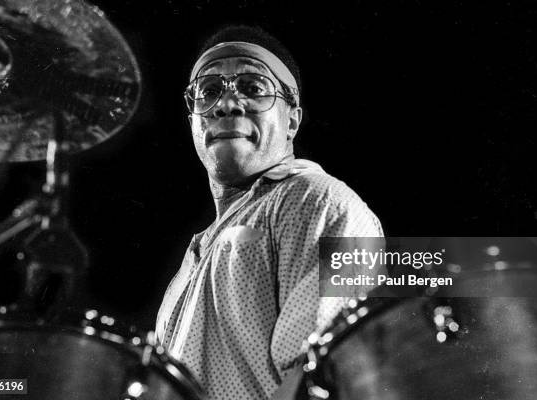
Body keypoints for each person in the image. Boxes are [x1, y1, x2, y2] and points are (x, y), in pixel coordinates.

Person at [155, 25, 383, 400]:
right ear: (193, 121)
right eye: (208, 92)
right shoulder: (191, 261)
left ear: (292, 120)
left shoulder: (318, 202)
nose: (226, 104)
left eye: (253, 87)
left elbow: (321, 380)